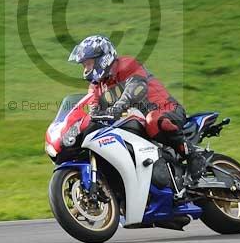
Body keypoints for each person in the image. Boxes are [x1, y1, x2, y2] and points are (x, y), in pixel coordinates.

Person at [68, 35, 207, 187]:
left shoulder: (127, 65)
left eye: (88, 63)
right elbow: (93, 109)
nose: (86, 69)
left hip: (166, 110)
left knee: (152, 120)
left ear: (103, 58)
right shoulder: (96, 86)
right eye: (84, 65)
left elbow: (136, 89)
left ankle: (193, 155)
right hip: (135, 120)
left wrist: (117, 108)